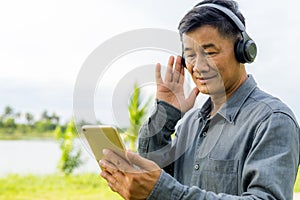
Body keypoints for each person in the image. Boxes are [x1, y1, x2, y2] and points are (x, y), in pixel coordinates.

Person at [99, 0, 300, 199]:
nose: (199, 66)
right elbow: (155, 175)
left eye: (210, 53)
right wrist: (165, 113)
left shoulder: (273, 120)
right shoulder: (189, 124)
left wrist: (168, 193)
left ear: (243, 50)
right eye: (190, 56)